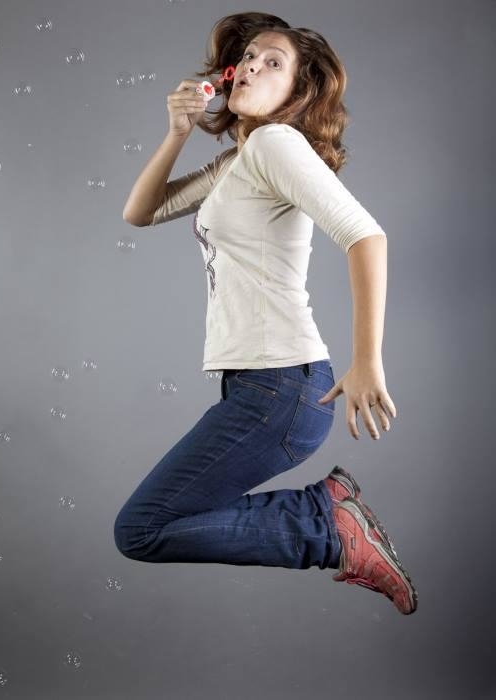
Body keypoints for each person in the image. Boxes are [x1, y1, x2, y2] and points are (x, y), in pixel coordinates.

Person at [115, 11, 418, 615]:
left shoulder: (276, 143)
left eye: (273, 63)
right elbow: (141, 212)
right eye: (249, 56)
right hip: (263, 387)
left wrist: (367, 361)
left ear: (297, 93)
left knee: (143, 528)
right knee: (149, 526)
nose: (252, 66)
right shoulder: (241, 159)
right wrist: (178, 132)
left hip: (281, 386)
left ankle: (328, 525)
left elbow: (366, 237)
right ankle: (329, 519)